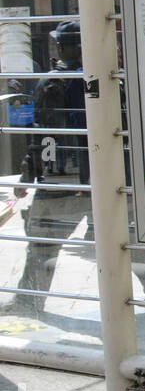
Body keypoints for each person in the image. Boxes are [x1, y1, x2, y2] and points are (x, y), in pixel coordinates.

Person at [10, 21, 89, 314]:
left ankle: (29, 302)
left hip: (59, 181)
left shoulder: (51, 82)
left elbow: (42, 138)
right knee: (124, 246)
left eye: (59, 43)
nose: (56, 47)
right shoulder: (106, 79)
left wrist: (26, 177)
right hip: (98, 179)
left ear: (65, 47)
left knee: (42, 245)